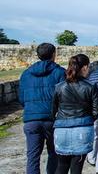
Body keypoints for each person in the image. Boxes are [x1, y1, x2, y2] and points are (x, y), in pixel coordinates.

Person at [19, 43, 66, 174]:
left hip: (31, 119)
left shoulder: (26, 74)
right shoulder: (60, 72)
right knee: (54, 154)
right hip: (52, 119)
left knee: (32, 157)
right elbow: (64, 97)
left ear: (38, 55)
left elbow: (22, 99)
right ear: (53, 55)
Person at [52, 54, 98, 174]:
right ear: (84, 67)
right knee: (76, 168)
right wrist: (86, 120)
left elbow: (52, 111)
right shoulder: (90, 86)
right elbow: (96, 111)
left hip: (61, 129)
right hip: (82, 129)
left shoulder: (59, 87)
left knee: (61, 166)